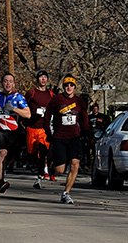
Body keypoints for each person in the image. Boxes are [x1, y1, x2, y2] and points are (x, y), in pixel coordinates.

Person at [44, 74, 90, 204]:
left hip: (74, 136)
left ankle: (66, 193)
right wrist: (48, 132)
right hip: (59, 137)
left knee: (75, 164)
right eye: (66, 85)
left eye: (71, 85)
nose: (69, 87)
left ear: (75, 87)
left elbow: (84, 117)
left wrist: (86, 132)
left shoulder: (79, 101)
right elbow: (47, 117)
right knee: (60, 170)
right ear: (63, 87)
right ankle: (52, 168)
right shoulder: (56, 100)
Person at [24, 70, 54, 189]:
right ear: (37, 79)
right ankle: (34, 166)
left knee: (43, 151)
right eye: (41, 77)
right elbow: (23, 106)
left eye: (45, 77)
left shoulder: (51, 94)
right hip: (32, 127)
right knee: (32, 152)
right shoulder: (31, 93)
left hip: (44, 128)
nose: (43, 79)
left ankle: (40, 175)